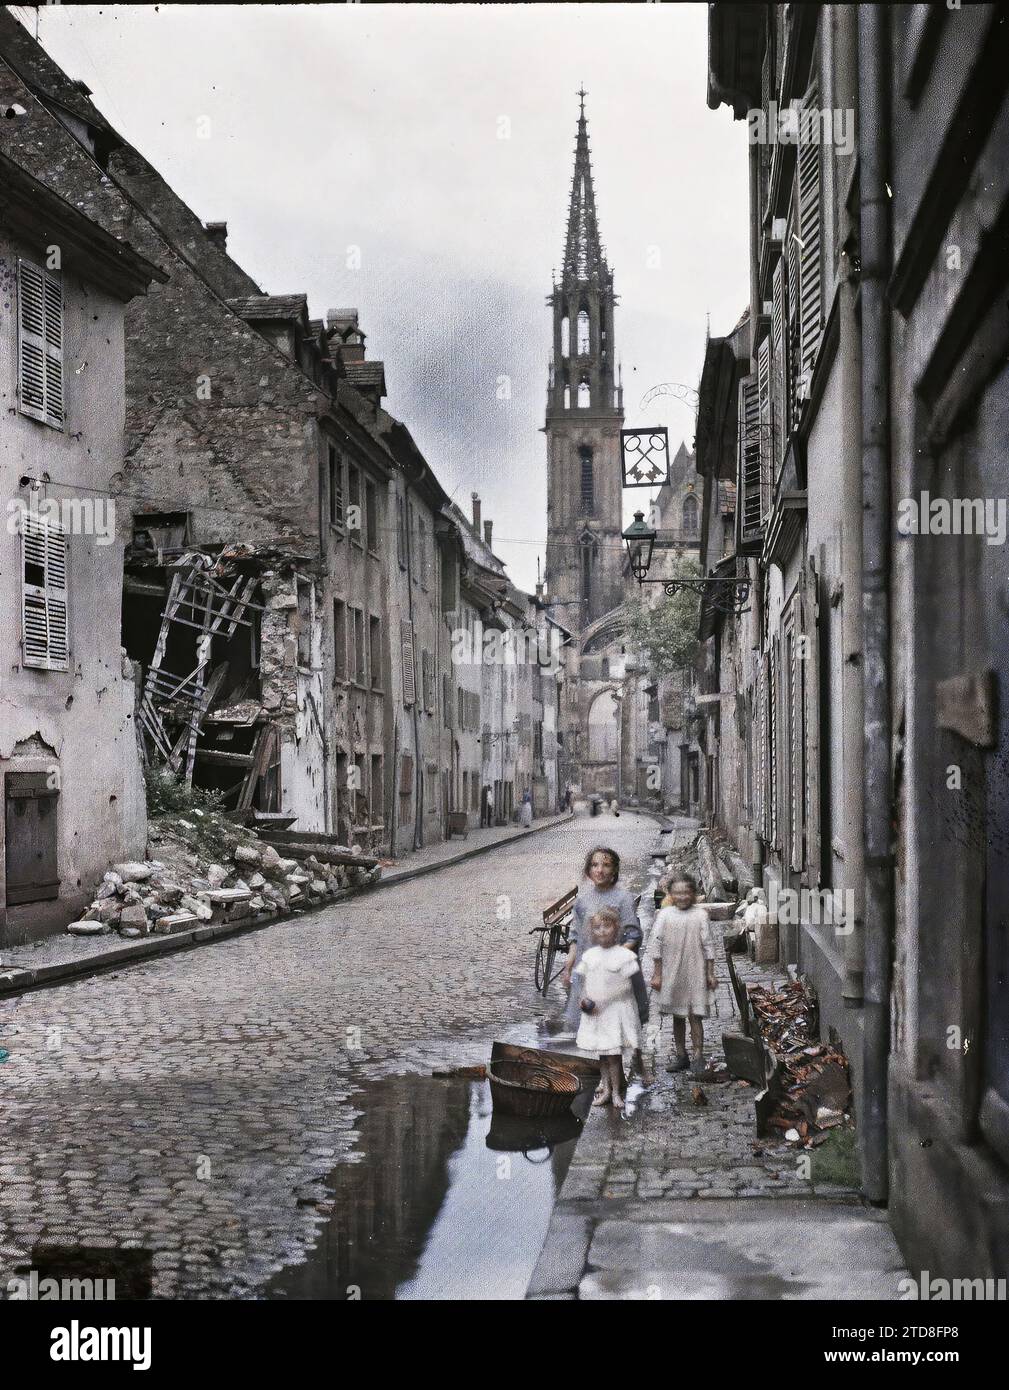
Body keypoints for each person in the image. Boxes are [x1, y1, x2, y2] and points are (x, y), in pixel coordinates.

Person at [560, 846, 640, 1031]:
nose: (600, 870)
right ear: (588, 870)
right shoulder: (582, 900)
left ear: (615, 870)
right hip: (586, 971)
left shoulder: (624, 899)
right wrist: (569, 965)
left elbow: (633, 934)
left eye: (606, 865)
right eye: (595, 865)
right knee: (585, 1027)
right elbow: (576, 935)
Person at [573, 908, 642, 1108]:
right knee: (602, 1055)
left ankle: (617, 1093)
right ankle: (605, 1089)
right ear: (592, 931)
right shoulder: (590, 956)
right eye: (597, 928)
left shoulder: (623, 955)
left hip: (614, 1012)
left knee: (614, 1055)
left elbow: (628, 985)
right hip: (595, 1013)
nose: (602, 931)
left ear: (616, 929)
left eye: (607, 926)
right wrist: (583, 998)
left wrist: (604, 999)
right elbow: (583, 981)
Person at [650, 874, 717, 1077]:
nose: (682, 897)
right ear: (671, 895)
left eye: (686, 893)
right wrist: (657, 974)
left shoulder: (701, 916)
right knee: (678, 1016)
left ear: (694, 894)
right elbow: (656, 945)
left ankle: (698, 1055)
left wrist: (710, 973)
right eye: (677, 893)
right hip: (673, 972)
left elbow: (709, 946)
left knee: (695, 1015)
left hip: (695, 971)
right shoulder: (665, 915)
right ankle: (681, 1055)